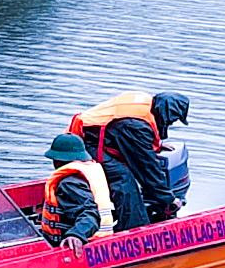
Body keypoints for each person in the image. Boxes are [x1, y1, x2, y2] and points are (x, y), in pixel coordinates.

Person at [70, 91, 190, 224]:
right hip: (86, 145)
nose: (172, 123)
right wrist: (168, 199)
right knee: (122, 178)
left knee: (131, 173)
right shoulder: (135, 126)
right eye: (173, 119)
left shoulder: (146, 104)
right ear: (168, 113)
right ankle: (132, 227)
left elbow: (132, 139)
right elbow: (147, 167)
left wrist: (156, 145)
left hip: (96, 139)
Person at [39, 133, 115, 255]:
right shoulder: (90, 172)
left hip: (69, 242)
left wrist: (76, 235)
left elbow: (89, 213)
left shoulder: (69, 183)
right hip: (101, 240)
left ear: (57, 161)